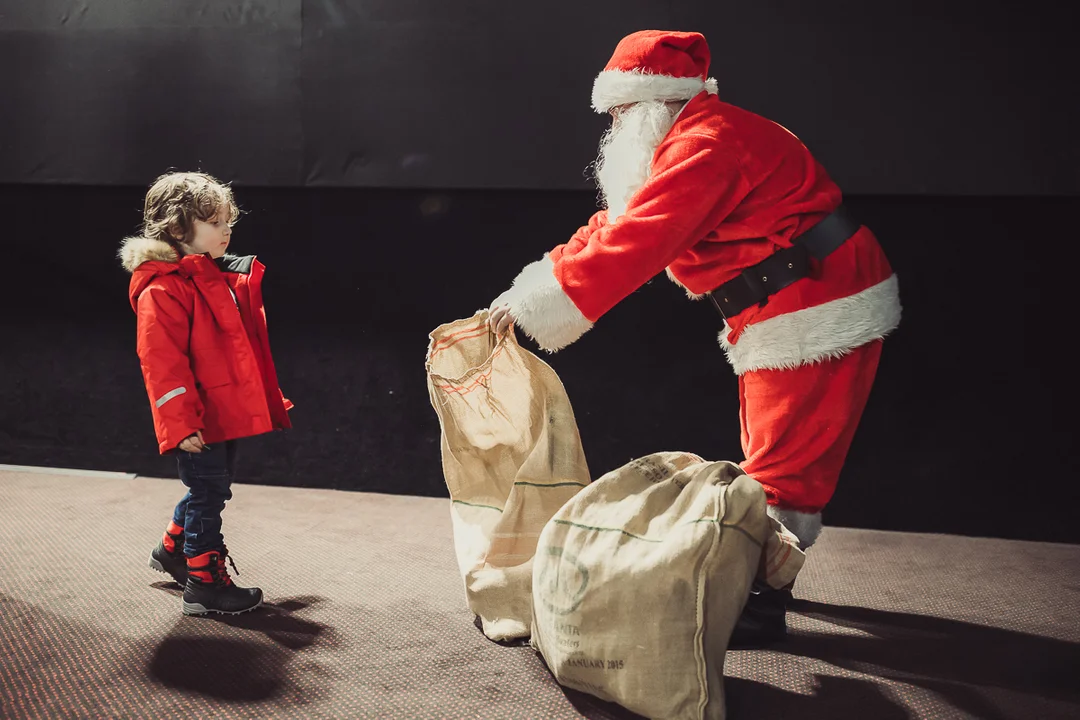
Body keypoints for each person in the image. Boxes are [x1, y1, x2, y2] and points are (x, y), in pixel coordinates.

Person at [488, 30, 901, 644]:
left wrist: (536, 307)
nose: (615, 125)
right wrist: (526, 290)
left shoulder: (710, 143)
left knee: (786, 462)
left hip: (817, 300)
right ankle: (760, 574)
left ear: (656, 100)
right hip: (782, 302)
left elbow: (639, 240)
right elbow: (619, 221)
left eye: (622, 110)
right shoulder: (685, 139)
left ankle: (760, 604)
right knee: (773, 447)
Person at [118, 171, 293, 616]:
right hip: (196, 418)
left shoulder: (207, 276)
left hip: (218, 410)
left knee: (209, 488)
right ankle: (202, 582)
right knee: (208, 492)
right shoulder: (164, 287)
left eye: (227, 221)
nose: (227, 230)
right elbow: (161, 364)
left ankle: (172, 549)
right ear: (178, 228)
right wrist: (179, 424)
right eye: (215, 222)